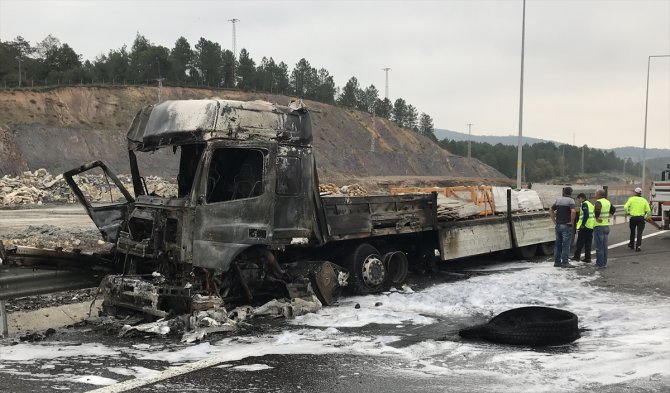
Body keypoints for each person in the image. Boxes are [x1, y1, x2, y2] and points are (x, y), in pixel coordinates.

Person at [549, 186, 577, 268]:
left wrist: (554, 220)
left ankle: (557, 262)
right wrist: (571, 222)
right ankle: (565, 262)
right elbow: (573, 211)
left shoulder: (558, 200)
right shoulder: (571, 201)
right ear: (571, 193)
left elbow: (550, 210)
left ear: (563, 192)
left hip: (558, 225)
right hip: (566, 225)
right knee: (566, 244)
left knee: (558, 244)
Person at [624, 187, 652, 252]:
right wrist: (646, 217)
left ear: (635, 192)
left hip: (633, 218)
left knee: (632, 232)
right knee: (640, 233)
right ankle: (638, 247)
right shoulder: (644, 200)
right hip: (641, 218)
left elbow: (625, 207)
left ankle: (631, 244)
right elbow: (648, 211)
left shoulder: (631, 199)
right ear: (640, 193)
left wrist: (627, 212)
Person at [593, 189, 616, 268]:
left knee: (599, 247)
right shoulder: (607, 201)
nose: (594, 195)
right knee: (604, 246)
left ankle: (600, 264)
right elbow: (613, 209)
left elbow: (597, 210)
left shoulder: (598, 202)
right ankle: (604, 263)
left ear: (599, 194)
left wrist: (597, 218)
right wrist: (610, 215)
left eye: (595, 193)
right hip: (606, 226)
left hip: (599, 227)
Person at [572, 193, 594, 262]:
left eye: (578, 199)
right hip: (590, 226)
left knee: (580, 242)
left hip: (585, 227)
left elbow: (586, 215)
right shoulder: (590, 204)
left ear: (581, 198)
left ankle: (577, 257)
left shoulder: (584, 204)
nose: (578, 201)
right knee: (588, 243)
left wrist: (583, 224)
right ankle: (588, 258)